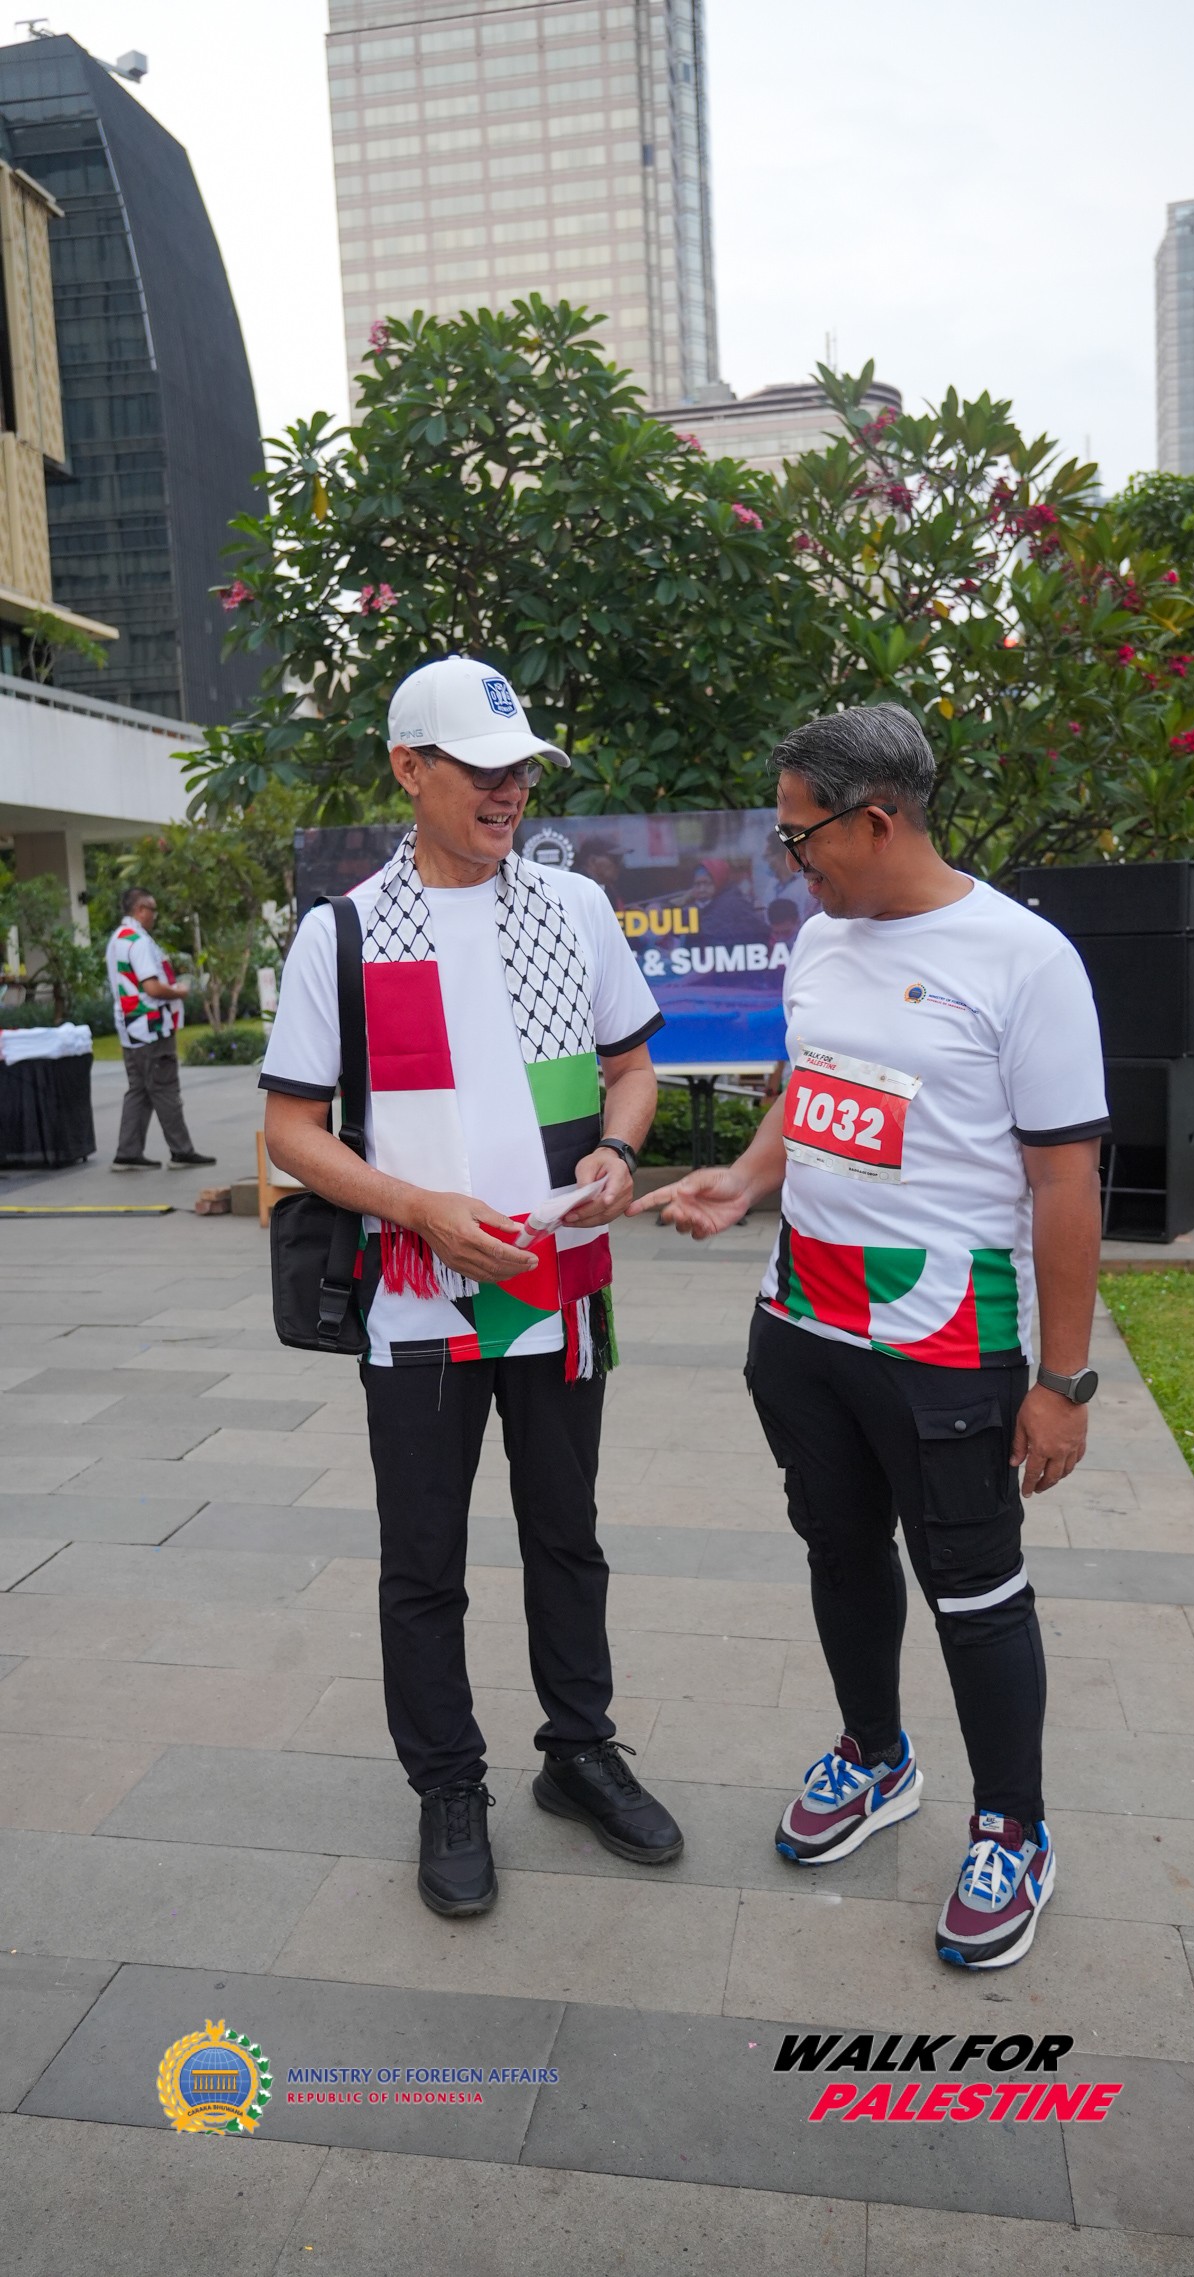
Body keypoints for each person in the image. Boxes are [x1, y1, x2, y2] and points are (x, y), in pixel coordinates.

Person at [634, 703, 1108, 1971]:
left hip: (945, 1338)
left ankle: (1012, 1827)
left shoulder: (1023, 960)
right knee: (839, 1550)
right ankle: (873, 1756)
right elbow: (811, 1087)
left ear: (877, 821)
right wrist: (744, 1180)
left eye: (800, 838)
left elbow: (1064, 1181)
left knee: (972, 1589)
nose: (790, 863)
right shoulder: (822, 939)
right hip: (801, 1321)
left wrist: (1062, 1382)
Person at [260, 653, 684, 1919]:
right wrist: (418, 1209)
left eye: (521, 773)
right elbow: (290, 1131)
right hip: (416, 1299)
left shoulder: (575, 908)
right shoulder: (342, 932)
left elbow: (632, 1070)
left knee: (566, 1535)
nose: (509, 794)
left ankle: (579, 1752)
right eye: (482, 770)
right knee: (423, 1560)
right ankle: (448, 1786)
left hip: (561, 1288)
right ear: (408, 768)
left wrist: (618, 1153)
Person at [107, 887, 216, 1172]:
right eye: (152, 910)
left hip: (130, 1027)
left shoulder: (117, 939)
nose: (154, 916)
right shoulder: (139, 941)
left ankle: (128, 1153)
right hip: (151, 1027)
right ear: (140, 909)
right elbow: (152, 987)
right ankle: (182, 1152)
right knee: (165, 1089)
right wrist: (179, 991)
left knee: (139, 1090)